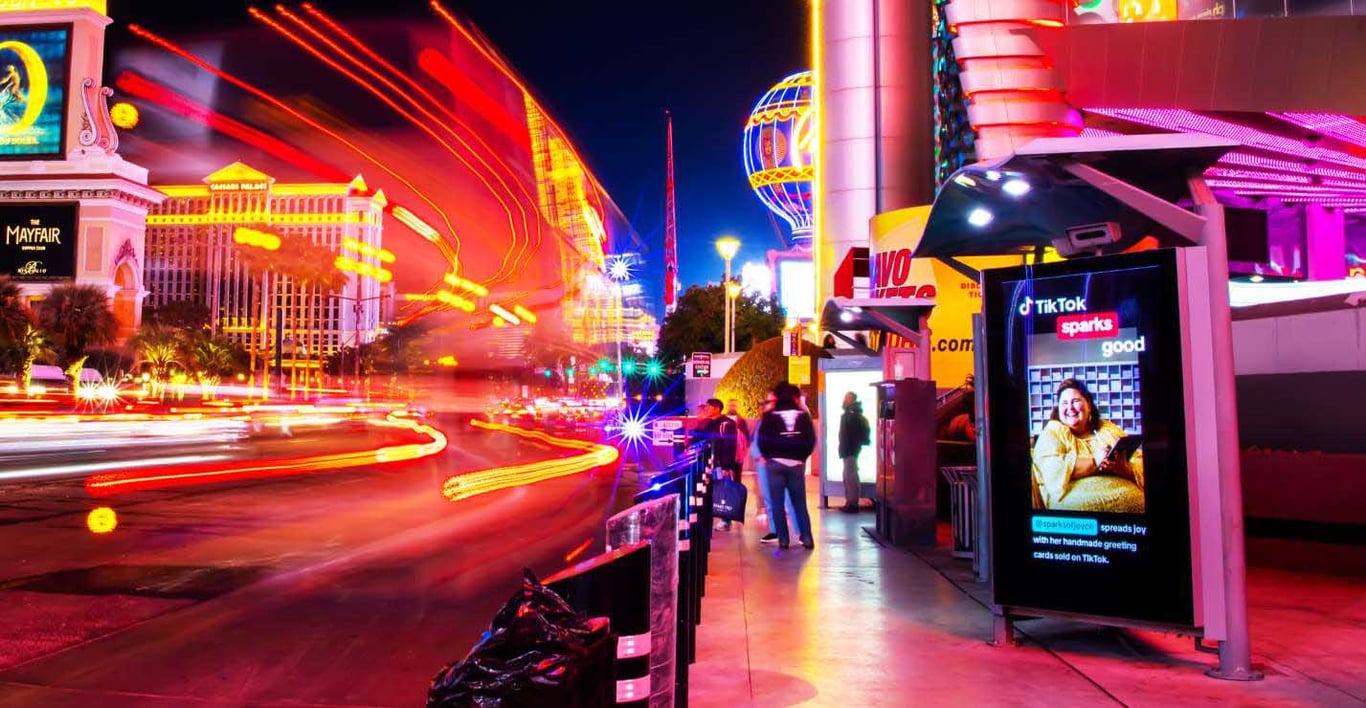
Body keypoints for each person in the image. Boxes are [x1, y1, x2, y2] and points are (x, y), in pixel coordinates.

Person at [1031, 378, 1145, 513]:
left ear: (1089, 405)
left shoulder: (1107, 429)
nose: (1070, 408)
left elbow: (1139, 460)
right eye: (1064, 403)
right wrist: (1095, 461)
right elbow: (1051, 470)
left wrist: (1124, 468)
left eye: (1075, 401)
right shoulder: (1052, 432)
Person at [757, 382, 817, 550]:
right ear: (794, 397)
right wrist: (802, 458)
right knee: (799, 503)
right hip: (796, 464)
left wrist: (769, 457)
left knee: (777, 503)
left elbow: (763, 440)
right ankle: (806, 537)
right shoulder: (802, 415)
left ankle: (783, 540)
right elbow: (810, 439)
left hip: (775, 464)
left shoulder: (770, 415)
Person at [752, 392, 798, 544]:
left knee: (788, 499)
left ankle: (800, 532)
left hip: (777, 464)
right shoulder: (764, 420)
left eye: (768, 402)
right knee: (770, 498)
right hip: (764, 465)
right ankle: (775, 530)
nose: (764, 405)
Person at [837, 391, 871, 513]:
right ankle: (850, 501)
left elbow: (849, 434)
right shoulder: (852, 413)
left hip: (850, 449)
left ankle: (852, 503)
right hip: (849, 449)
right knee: (848, 475)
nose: (845, 399)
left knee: (850, 476)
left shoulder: (851, 414)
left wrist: (847, 446)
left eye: (847, 397)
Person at [725, 398, 750, 475]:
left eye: (734, 405)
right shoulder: (723, 419)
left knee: (737, 475)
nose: (732, 407)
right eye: (731, 405)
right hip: (726, 452)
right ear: (728, 406)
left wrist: (744, 450)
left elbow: (746, 435)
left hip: (738, 452)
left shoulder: (741, 420)